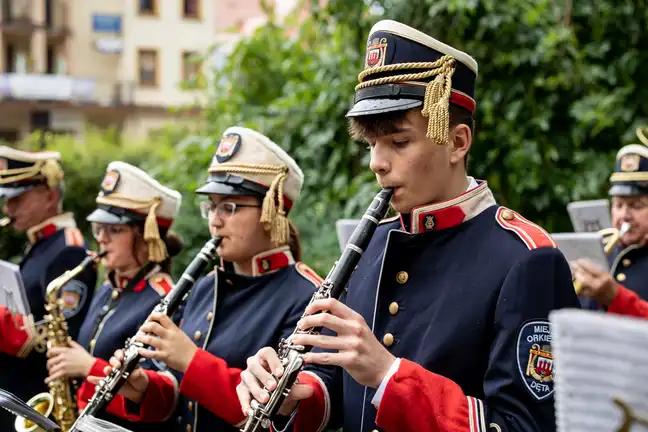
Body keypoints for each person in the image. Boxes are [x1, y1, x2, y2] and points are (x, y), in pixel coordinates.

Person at [237, 20, 581, 432]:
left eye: (398, 143)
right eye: (371, 145)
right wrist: (298, 396)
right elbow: (342, 391)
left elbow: (529, 425)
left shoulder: (526, 258)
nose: (376, 163)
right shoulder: (374, 246)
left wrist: (389, 377)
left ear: (458, 142)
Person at [91, 127, 322, 432]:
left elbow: (276, 415)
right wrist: (144, 388)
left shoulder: (308, 297)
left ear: (272, 210)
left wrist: (190, 360)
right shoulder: (204, 287)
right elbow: (180, 397)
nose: (215, 219)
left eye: (230, 207)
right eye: (212, 206)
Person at [44, 161, 184, 431]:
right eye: (99, 229)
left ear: (148, 236)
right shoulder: (109, 288)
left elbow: (164, 398)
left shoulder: (165, 298)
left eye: (115, 230)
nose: (102, 239)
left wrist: (88, 367)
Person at [0, 147, 97, 430]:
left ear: (50, 195)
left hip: (34, 399)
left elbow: (58, 333)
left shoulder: (69, 249)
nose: (8, 209)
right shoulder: (41, 245)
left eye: (18, 199)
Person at [574, 142, 648, 319]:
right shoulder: (603, 250)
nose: (624, 215)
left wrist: (616, 298)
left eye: (636, 205)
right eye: (618, 205)